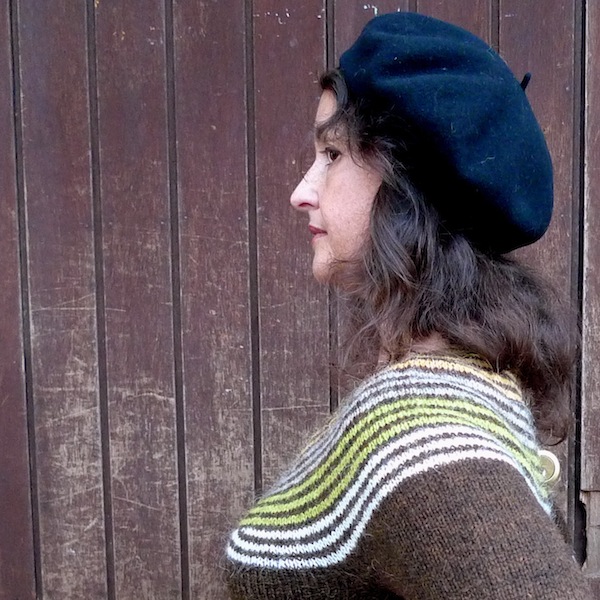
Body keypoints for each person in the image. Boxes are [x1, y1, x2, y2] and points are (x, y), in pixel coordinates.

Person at [225, 12, 593, 599]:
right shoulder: (465, 389)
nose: (301, 191)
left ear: (407, 184)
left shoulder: (416, 429)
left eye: (332, 154)